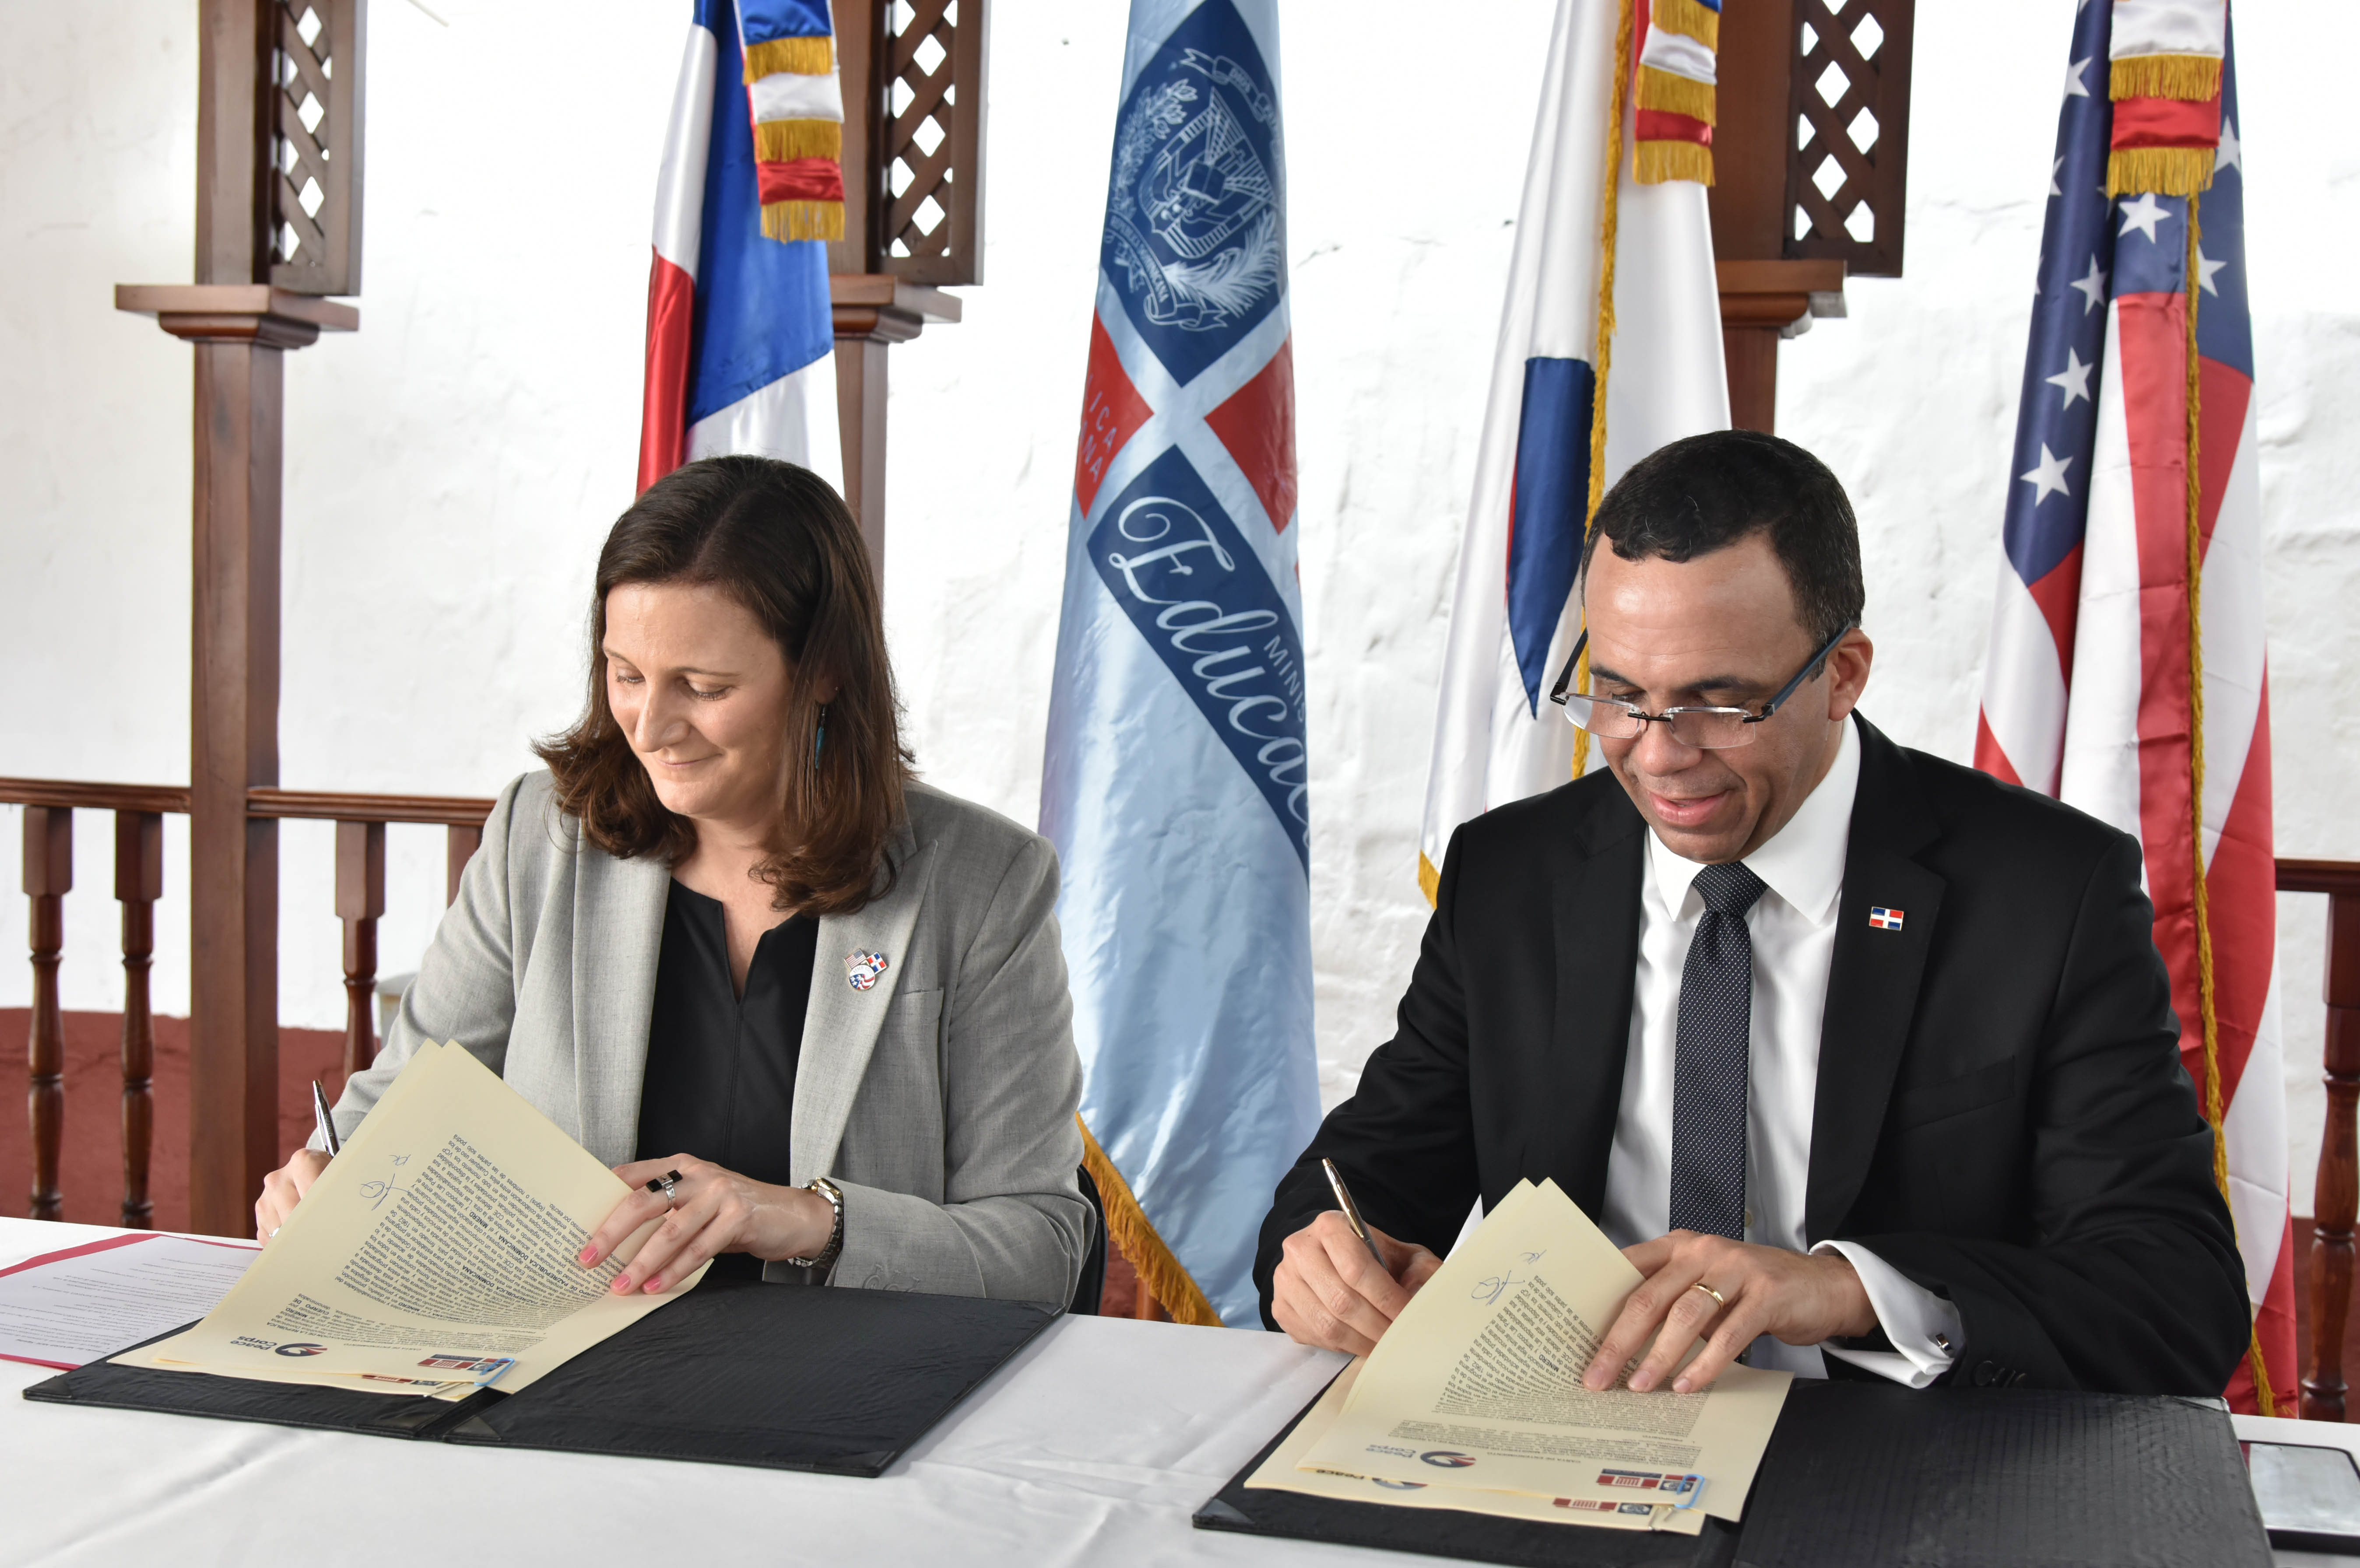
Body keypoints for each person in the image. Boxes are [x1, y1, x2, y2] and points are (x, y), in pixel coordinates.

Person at [1257, 429, 2249, 1397]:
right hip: (1581, 1442)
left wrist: (1847, 1289)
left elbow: (2174, 1296)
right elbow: (1361, 1178)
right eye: (1618, 696)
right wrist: (1323, 1257)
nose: (1657, 756)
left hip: (1899, 1463)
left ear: (1842, 674)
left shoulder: (2047, 894)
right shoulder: (1512, 875)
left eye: (1719, 705)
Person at [255, 456, 1090, 1304]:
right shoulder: (539, 839)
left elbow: (1041, 1248)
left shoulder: (984, 882)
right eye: (626, 675)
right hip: (570, 1357)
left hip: (842, 1370)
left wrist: (813, 1218)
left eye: (702, 686)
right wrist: (326, 1174)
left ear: (826, 671)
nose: (650, 728)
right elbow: (397, 1117)